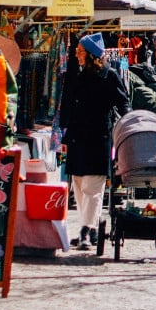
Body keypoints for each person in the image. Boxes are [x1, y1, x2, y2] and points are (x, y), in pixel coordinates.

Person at [60, 33, 130, 251]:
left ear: (90, 55)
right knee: (79, 186)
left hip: (98, 137)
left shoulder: (108, 76)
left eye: (80, 51)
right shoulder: (78, 75)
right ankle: (86, 227)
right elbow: (70, 107)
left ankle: (87, 229)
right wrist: (65, 136)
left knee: (93, 186)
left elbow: (123, 102)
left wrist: (126, 128)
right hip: (77, 137)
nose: (76, 54)